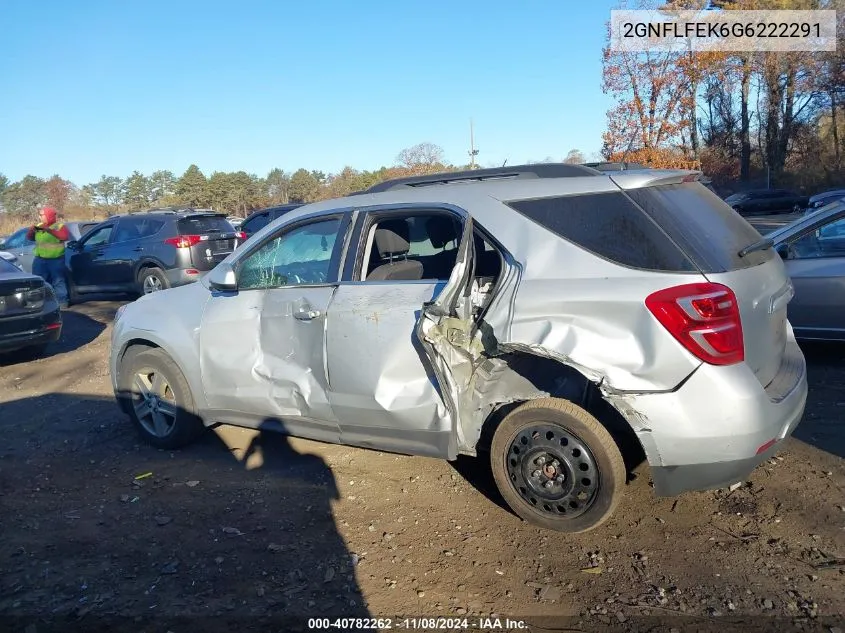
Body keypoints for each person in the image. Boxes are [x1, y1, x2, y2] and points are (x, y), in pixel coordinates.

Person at [26, 207, 70, 308]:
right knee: (38, 281)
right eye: (40, 215)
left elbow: (64, 237)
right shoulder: (39, 226)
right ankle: (38, 303)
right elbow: (30, 238)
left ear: (48, 215)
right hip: (40, 259)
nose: (40, 217)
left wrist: (49, 230)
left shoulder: (59, 226)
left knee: (58, 281)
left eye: (42, 215)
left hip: (56, 259)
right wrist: (31, 231)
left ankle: (62, 302)